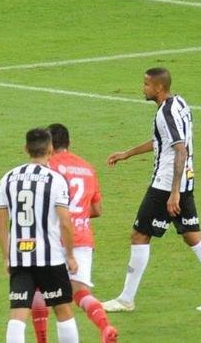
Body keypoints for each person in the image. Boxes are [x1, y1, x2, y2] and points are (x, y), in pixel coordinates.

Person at [102, 67, 201, 313]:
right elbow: (163, 141)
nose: (143, 89)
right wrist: (127, 154)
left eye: (146, 85)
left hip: (165, 185)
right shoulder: (179, 103)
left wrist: (173, 193)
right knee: (192, 234)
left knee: (139, 235)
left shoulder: (165, 113)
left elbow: (180, 149)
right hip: (186, 180)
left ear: (158, 88)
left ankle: (126, 299)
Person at [31, 124, 118, 343]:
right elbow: (97, 209)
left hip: (54, 237)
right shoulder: (87, 168)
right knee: (80, 292)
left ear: (49, 145)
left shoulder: (48, 167)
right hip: (82, 238)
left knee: (38, 289)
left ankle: (42, 340)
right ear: (69, 143)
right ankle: (105, 326)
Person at [0, 128, 81, 343]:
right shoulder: (56, 180)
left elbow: (0, 223)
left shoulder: (8, 178)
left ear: (26, 149)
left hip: (19, 257)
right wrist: (70, 255)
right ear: (51, 149)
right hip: (50, 257)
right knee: (63, 311)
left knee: (18, 314)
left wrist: (7, 256)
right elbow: (65, 222)